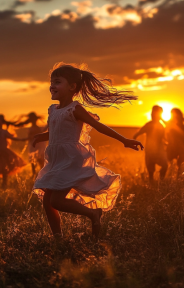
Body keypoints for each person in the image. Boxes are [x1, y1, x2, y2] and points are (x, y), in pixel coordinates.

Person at [32, 62, 143, 239]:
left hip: (70, 160)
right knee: (48, 202)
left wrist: (124, 140)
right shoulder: (53, 110)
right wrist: (41, 136)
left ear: (72, 87)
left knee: (56, 200)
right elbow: (56, 132)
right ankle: (58, 238)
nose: (52, 86)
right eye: (51, 82)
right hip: (55, 160)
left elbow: (98, 126)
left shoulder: (75, 109)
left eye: (57, 82)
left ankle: (92, 213)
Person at [0, 114, 27, 188]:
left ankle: (5, 184)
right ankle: (4, 184)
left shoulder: (4, 132)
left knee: (4, 169)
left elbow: (13, 138)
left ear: (1, 122)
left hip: (5, 153)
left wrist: (22, 139)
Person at [133, 105, 168, 185]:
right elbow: (137, 134)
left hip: (157, 149)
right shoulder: (151, 125)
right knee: (152, 169)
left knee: (163, 166)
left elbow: (163, 137)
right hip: (151, 149)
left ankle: (159, 182)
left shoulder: (160, 125)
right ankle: (157, 183)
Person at [15, 112, 48, 177]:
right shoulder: (32, 128)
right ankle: (35, 174)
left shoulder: (37, 128)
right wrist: (25, 139)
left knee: (39, 159)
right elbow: (30, 137)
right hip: (34, 145)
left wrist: (25, 139)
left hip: (38, 144)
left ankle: (40, 174)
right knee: (34, 160)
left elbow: (38, 134)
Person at [166, 108, 184, 177]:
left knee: (179, 165)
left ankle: (177, 178)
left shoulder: (181, 127)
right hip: (174, 147)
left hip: (180, 148)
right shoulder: (173, 125)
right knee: (174, 165)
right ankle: (173, 178)